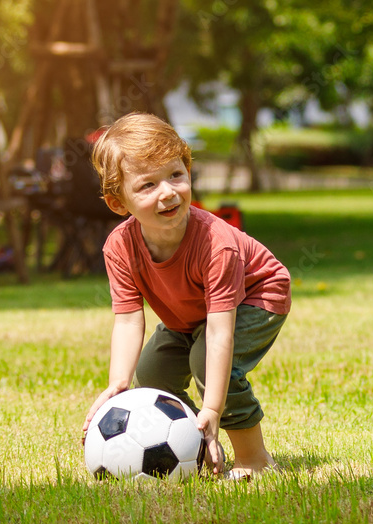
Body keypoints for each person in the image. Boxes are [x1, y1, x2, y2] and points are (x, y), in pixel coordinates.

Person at [80, 113, 291, 479]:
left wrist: (213, 405)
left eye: (176, 175)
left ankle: (255, 460)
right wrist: (119, 382)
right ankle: (193, 446)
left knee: (207, 363)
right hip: (190, 315)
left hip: (257, 296)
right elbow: (129, 319)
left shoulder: (216, 244)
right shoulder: (119, 246)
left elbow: (220, 333)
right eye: (147, 185)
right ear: (118, 203)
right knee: (152, 372)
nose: (168, 192)